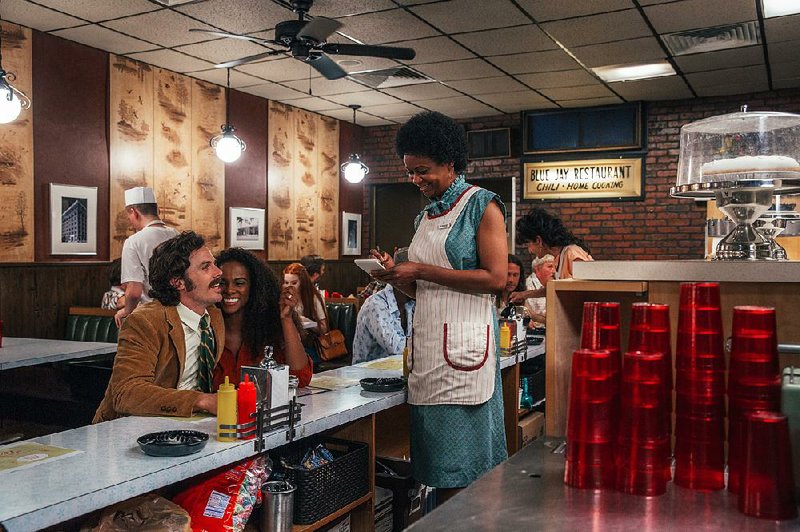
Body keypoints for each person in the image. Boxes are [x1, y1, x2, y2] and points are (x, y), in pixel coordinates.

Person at [370, 111, 508, 498]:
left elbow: (496, 279)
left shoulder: (482, 206)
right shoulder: (426, 217)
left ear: (450, 164)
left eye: (423, 171)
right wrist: (398, 278)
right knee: (433, 471)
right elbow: (428, 291)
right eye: (411, 172)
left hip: (466, 359)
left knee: (463, 475)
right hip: (429, 360)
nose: (416, 180)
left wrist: (422, 270)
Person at [93, 231, 223, 423]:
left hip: (188, 426)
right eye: (206, 267)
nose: (218, 272)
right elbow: (127, 393)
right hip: (129, 429)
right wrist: (201, 401)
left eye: (214, 264)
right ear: (178, 282)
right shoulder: (146, 321)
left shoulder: (213, 316)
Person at [213, 248, 312, 390]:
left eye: (239, 283)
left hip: (259, 411)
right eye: (222, 283)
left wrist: (286, 319)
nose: (229, 290)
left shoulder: (267, 328)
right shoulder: (205, 329)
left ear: (254, 287)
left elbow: (300, 378)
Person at [115, 186, 178, 328]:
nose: (130, 220)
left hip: (152, 317)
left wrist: (127, 311)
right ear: (158, 210)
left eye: (129, 216)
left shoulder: (133, 242)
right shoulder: (176, 235)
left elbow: (134, 291)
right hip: (180, 313)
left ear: (134, 212)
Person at [511, 207, 593, 305]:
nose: (530, 250)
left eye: (529, 244)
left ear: (538, 241)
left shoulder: (572, 253)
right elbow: (557, 288)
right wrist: (524, 294)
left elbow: (588, 288)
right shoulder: (560, 257)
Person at [352, 249, 415, 364]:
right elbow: (396, 349)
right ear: (399, 277)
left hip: (396, 374)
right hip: (366, 376)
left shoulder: (411, 304)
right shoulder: (376, 304)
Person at [283, 263, 329, 365]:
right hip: (286, 342)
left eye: (294, 283)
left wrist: (307, 322)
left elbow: (324, 328)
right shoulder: (283, 297)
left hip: (308, 344)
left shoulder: (314, 297)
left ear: (302, 282)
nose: (289, 287)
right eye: (286, 282)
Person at [522, 254, 555, 325]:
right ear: (537, 270)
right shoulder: (529, 285)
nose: (554, 271)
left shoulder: (554, 283)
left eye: (555, 267)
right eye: (550, 267)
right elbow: (532, 315)